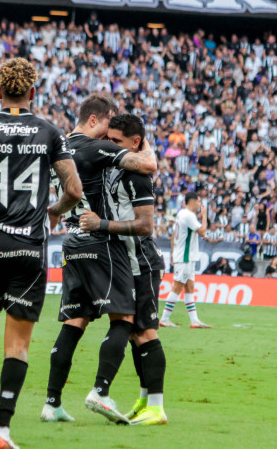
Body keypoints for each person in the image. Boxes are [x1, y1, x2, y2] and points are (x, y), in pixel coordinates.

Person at [0, 58, 82, 448]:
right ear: (33, 92)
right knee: (18, 345)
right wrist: (53, 212)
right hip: (29, 248)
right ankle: (2, 431)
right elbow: (74, 191)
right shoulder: (50, 132)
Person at [42, 95, 158, 425]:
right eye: (108, 124)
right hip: (101, 241)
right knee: (124, 318)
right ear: (93, 120)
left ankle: (52, 403)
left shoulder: (56, 149)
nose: (109, 133)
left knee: (74, 322)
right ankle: (100, 391)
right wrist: (144, 143)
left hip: (71, 242)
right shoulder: (95, 147)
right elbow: (148, 165)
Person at [78, 113, 168, 426]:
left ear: (135, 142)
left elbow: (145, 226)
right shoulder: (117, 167)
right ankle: (144, 400)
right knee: (133, 335)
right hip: (126, 262)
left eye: (117, 141)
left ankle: (157, 407)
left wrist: (101, 224)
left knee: (146, 332)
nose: (111, 146)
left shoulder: (136, 176)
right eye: (108, 139)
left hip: (142, 261)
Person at [159, 192, 211, 329]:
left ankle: (194, 321)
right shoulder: (189, 215)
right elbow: (203, 232)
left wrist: (172, 253)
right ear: (192, 202)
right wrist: (204, 215)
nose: (200, 205)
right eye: (198, 202)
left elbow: (173, 235)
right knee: (177, 286)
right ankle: (164, 319)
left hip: (184, 256)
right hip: (185, 257)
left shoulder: (181, 214)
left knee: (189, 287)